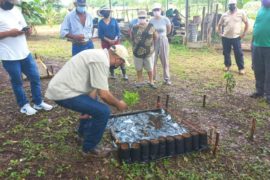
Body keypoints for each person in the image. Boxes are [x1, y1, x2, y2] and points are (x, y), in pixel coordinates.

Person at [45, 45, 129, 156]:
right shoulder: (101, 61)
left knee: (94, 106)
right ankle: (90, 148)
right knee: (103, 112)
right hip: (64, 92)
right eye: (121, 63)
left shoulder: (99, 55)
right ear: (118, 59)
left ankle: (82, 135)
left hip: (66, 89)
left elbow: (93, 87)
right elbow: (104, 94)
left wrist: (88, 110)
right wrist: (119, 104)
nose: (119, 65)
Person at [0, 0, 53, 116]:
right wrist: (9, 33)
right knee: (17, 81)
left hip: (24, 53)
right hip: (9, 56)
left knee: (35, 77)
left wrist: (28, 31)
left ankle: (38, 102)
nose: (12, 3)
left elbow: (24, 27)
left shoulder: (17, 10)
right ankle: (24, 105)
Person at [217, 0, 249, 75]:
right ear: (228, 6)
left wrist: (244, 34)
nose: (231, 6)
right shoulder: (224, 15)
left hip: (236, 37)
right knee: (226, 52)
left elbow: (247, 23)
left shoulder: (241, 13)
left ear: (235, 5)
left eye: (233, 5)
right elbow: (219, 25)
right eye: (230, 5)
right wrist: (219, 33)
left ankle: (241, 68)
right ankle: (227, 65)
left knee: (238, 53)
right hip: (225, 37)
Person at [97, 7, 128, 80]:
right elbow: (100, 34)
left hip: (116, 42)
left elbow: (118, 31)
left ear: (110, 12)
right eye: (104, 12)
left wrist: (115, 39)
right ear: (102, 13)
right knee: (108, 57)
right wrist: (108, 40)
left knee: (120, 56)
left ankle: (124, 74)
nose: (106, 13)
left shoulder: (114, 20)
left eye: (107, 11)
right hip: (105, 43)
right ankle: (112, 74)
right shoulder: (100, 22)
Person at [250, 0, 270, 104]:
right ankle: (259, 91)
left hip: (268, 47)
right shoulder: (261, 9)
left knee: (268, 72)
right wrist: (252, 43)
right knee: (258, 69)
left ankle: (268, 94)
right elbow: (255, 27)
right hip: (257, 45)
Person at [131, 10, 157, 88]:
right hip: (137, 52)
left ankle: (151, 81)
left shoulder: (151, 26)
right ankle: (139, 81)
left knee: (149, 67)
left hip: (149, 52)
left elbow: (155, 37)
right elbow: (131, 37)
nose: (142, 19)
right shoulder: (134, 27)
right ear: (137, 18)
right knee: (138, 67)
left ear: (146, 17)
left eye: (143, 17)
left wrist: (153, 47)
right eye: (140, 17)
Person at [150, 3, 172, 85]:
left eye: (157, 10)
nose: (156, 11)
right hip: (154, 41)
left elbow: (169, 30)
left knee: (165, 60)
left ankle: (166, 78)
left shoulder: (165, 19)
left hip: (163, 40)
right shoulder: (151, 20)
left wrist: (163, 36)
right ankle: (153, 78)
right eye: (154, 10)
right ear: (153, 11)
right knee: (153, 60)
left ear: (161, 10)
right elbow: (150, 31)